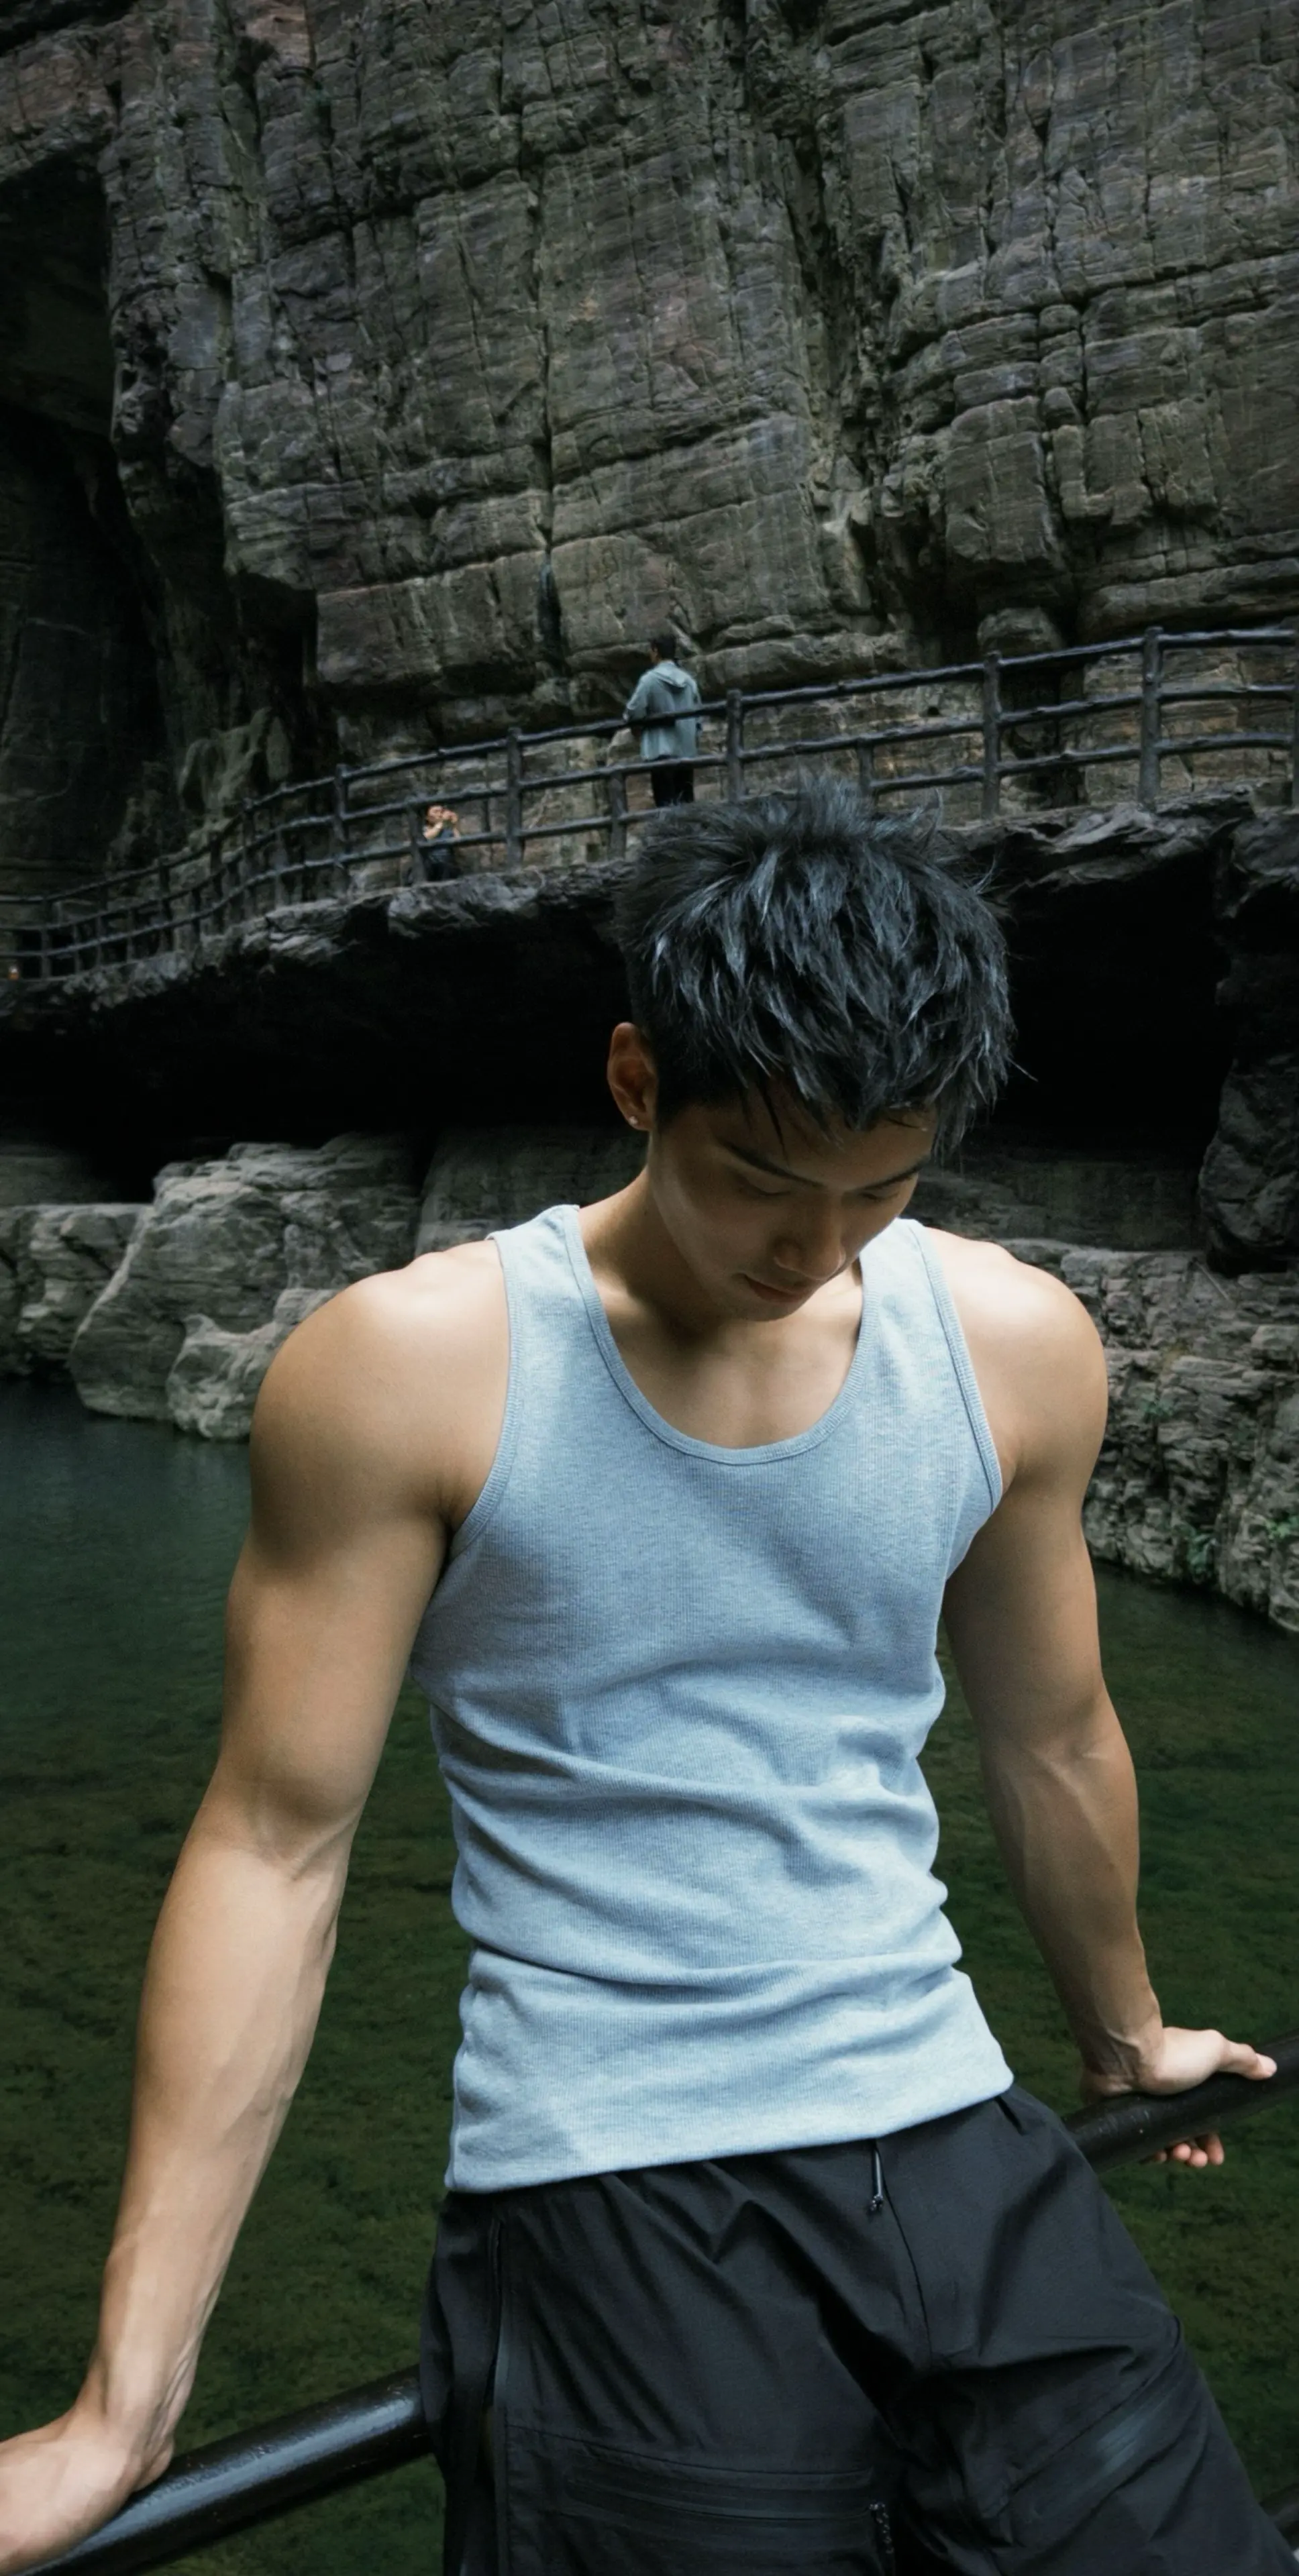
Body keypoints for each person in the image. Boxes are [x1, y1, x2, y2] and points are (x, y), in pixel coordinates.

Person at [0, 781, 1288, 2576]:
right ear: (634, 1080)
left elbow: (1054, 1731)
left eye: (879, 1187)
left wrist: (1126, 2036)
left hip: (954, 2132)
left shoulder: (1011, 1343)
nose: (811, 1247)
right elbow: (273, 1849)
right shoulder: (411, 1368)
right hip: (610, 2181)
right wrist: (126, 2403)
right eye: (759, 1176)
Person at [623, 628, 703, 805]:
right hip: (686, 752)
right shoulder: (689, 682)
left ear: (656, 651)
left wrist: (636, 727)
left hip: (660, 751)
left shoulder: (650, 680)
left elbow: (634, 711)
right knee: (687, 804)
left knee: (665, 804)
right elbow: (699, 718)